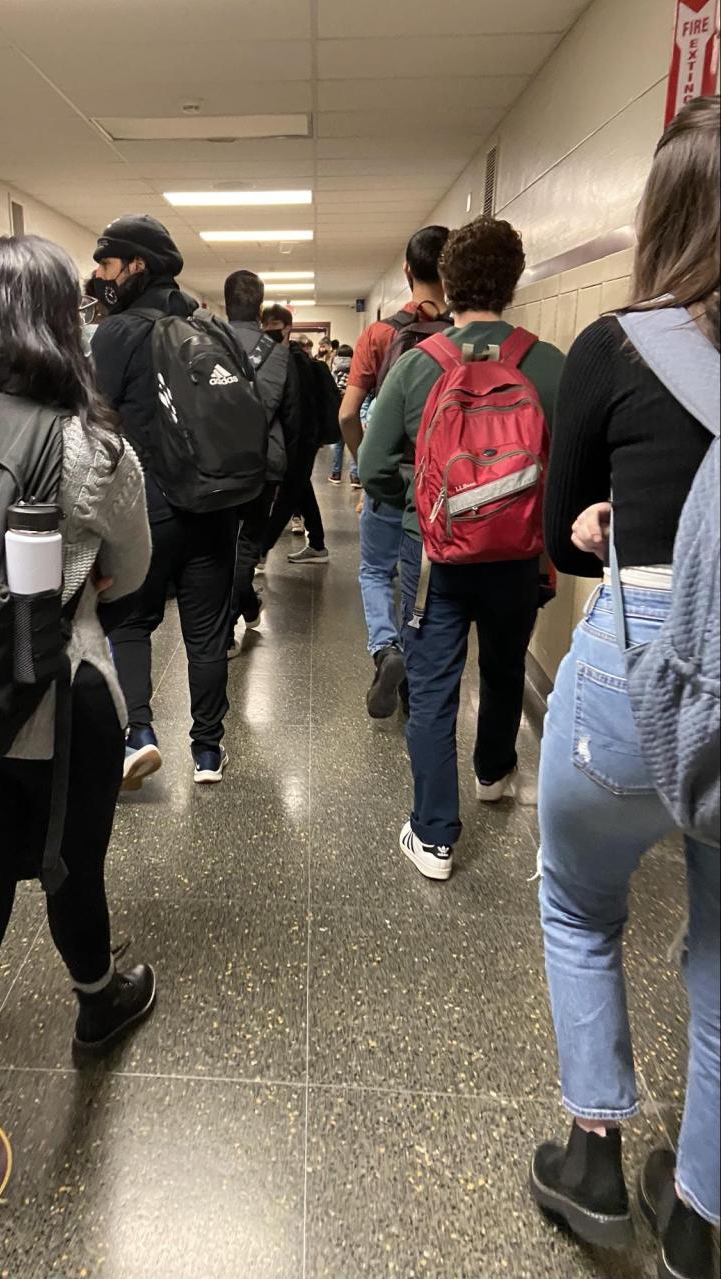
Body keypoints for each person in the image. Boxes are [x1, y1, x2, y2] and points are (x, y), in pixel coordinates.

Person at [0, 235, 155, 1265]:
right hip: (56, 703)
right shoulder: (94, 445)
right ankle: (98, 1004)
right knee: (67, 869)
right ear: (65, 319)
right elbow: (131, 571)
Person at [530, 96, 720, 1279]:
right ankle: (700, 1211)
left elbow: (561, 532)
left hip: (639, 654)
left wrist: (606, 524)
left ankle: (594, 1158)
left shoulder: (620, 342)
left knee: (580, 901)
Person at [359, 216, 564, 879]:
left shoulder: (421, 365)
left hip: (436, 559)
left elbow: (375, 461)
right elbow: (573, 466)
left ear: (445, 283)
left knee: (434, 683)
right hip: (520, 556)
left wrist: (420, 507)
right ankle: (493, 773)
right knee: (505, 666)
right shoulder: (549, 364)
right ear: (514, 281)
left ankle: (436, 836)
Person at [90, 215, 235, 785]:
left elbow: (94, 426)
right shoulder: (210, 328)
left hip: (146, 507)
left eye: (106, 263)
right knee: (207, 632)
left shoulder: (118, 332)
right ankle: (207, 752)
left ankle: (140, 733)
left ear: (135, 266)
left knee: (131, 621)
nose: (100, 275)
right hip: (214, 505)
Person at [344, 226, 450, 720]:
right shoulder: (464, 337)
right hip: (451, 488)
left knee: (374, 570)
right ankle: (419, 673)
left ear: (407, 270)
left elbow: (347, 415)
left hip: (393, 479)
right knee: (422, 582)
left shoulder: (380, 334)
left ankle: (386, 649)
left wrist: (368, 473)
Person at [222, 271, 300, 657]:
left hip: (213, 462)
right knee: (246, 545)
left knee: (218, 545)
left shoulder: (204, 344)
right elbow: (291, 416)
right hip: (263, 463)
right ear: (259, 306)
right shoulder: (278, 354)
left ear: (225, 304)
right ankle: (236, 618)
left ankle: (232, 621)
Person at [260, 306, 331, 566]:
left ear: (288, 327)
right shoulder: (273, 358)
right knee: (302, 489)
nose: (270, 330)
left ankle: (260, 551)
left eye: (275, 324)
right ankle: (318, 545)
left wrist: (294, 447)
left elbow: (297, 409)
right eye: (265, 325)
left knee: (289, 495)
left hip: (300, 440)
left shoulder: (296, 360)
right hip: (292, 439)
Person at [328, 344, 358, 486]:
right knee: (354, 444)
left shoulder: (334, 372)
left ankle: (336, 474)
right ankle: (355, 476)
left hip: (338, 411)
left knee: (338, 445)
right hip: (353, 411)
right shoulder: (355, 371)